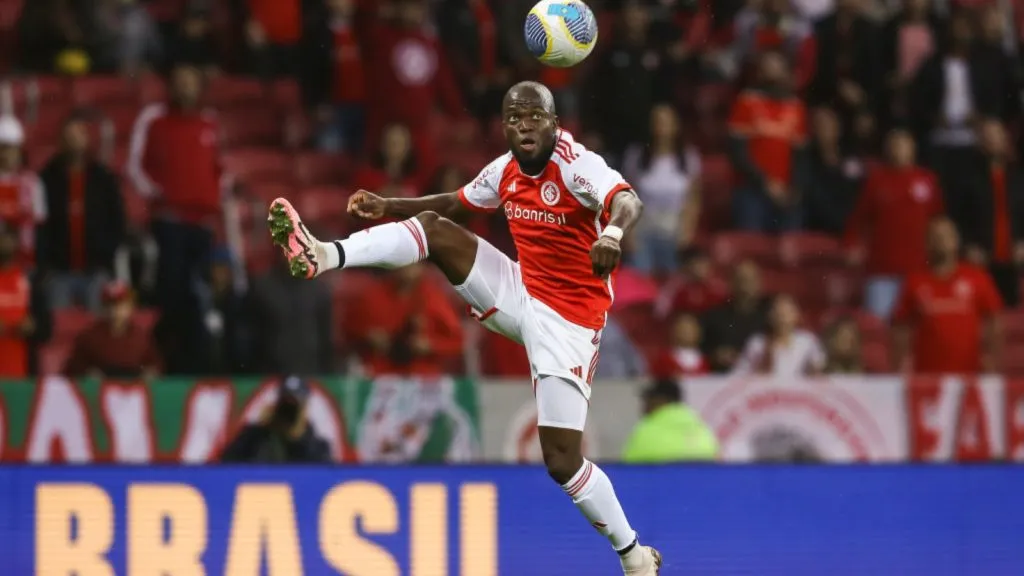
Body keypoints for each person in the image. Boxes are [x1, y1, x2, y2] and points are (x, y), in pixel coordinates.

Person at [267, 81, 662, 575]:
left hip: (569, 323)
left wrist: (611, 231)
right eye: (514, 118)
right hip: (520, 293)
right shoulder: (505, 171)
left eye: (534, 116)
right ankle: (324, 255)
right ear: (503, 126)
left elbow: (628, 200)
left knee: (561, 461)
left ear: (555, 122)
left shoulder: (578, 165)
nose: (524, 126)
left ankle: (634, 557)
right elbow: (457, 203)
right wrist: (389, 206)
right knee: (435, 228)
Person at [844, 129, 944, 320]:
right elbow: (859, 218)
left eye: (903, 144)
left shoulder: (927, 180)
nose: (899, 149)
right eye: (894, 145)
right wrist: (851, 243)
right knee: (877, 327)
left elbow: (938, 222)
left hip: (919, 270)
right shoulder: (876, 180)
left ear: (913, 148)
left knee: (919, 326)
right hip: (881, 271)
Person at [37, 112, 126, 311]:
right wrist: (46, 267)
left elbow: (117, 221)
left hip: (96, 270)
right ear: (61, 141)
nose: (74, 141)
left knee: (99, 324)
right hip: (58, 271)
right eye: (69, 136)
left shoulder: (104, 179)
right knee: (56, 325)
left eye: (79, 134)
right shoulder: (47, 178)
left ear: (87, 139)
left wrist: (105, 257)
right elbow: (40, 226)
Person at [892, 217, 1003, 374]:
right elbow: (900, 326)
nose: (941, 241)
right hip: (927, 378)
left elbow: (994, 320)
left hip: (969, 375)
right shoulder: (914, 281)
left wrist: (992, 358)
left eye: (945, 235)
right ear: (927, 243)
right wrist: (900, 364)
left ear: (956, 240)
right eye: (935, 237)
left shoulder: (977, 278)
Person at [220, 376, 331, 463]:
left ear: (305, 407)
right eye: (285, 405)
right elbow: (226, 466)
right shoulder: (255, 438)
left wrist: (298, 439)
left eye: (294, 406)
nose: (289, 412)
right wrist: (260, 432)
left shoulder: (318, 448)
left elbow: (322, 477)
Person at [63, 280, 161, 378]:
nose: (115, 311)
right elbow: (73, 368)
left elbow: (154, 365)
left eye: (120, 305)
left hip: (134, 388)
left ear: (130, 307)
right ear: (103, 307)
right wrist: (88, 373)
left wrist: (149, 373)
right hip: (100, 390)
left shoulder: (141, 337)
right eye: (110, 305)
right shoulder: (88, 337)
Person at [622, 379, 718, 463]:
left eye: (648, 399)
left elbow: (629, 465)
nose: (643, 406)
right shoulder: (702, 427)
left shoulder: (646, 429)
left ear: (660, 400)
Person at [732, 293, 826, 377]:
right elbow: (739, 375)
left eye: (786, 312)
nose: (782, 317)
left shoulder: (807, 341)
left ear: (796, 315)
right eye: (778, 312)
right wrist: (759, 370)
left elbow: (820, 370)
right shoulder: (757, 343)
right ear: (769, 316)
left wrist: (814, 371)